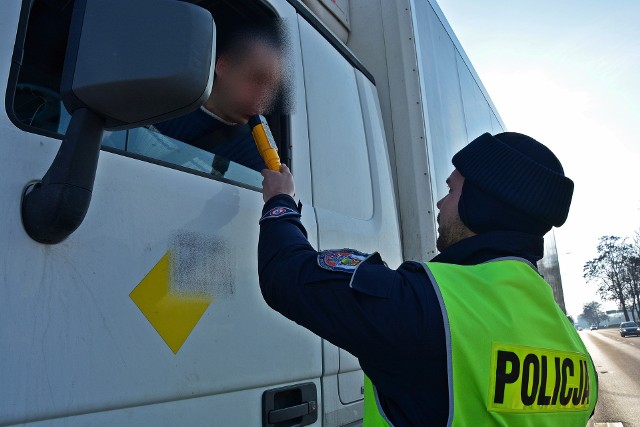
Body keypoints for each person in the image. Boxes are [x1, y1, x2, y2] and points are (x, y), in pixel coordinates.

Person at [257, 132, 598, 426]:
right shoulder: (575, 348)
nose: (440, 202)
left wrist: (280, 201)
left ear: (483, 203)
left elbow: (287, 275)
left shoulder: (429, 306)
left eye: (451, 190)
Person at [151, 22, 285, 176]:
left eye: (271, 89)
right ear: (223, 66)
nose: (264, 98)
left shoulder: (256, 162)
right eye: (256, 79)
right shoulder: (162, 101)